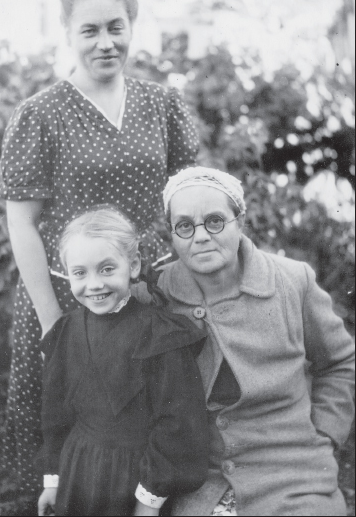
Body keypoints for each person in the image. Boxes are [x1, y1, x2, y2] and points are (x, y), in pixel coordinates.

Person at [0, 0, 198, 498]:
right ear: (67, 34)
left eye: (116, 27)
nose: (105, 42)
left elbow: (183, 196)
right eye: (90, 30)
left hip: (144, 287)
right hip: (67, 290)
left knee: (148, 413)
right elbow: (22, 222)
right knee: (64, 418)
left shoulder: (162, 104)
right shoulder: (41, 114)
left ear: (132, 28)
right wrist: (51, 322)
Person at [135, 166, 355, 516]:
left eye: (216, 221)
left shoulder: (291, 281)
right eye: (185, 226)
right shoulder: (155, 296)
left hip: (295, 478)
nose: (201, 236)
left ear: (240, 221)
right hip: (199, 486)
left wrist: (326, 432)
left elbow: (342, 363)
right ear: (173, 235)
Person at [36, 206, 209, 516]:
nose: (94, 284)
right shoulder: (68, 330)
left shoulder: (157, 333)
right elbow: (55, 411)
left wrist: (148, 501)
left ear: (132, 266)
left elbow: (179, 422)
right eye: (80, 273)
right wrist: (53, 479)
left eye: (106, 269)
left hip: (133, 477)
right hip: (79, 468)